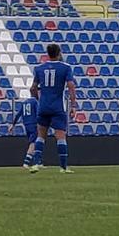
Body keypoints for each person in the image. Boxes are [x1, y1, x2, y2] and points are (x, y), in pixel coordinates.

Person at [28, 44, 77, 174]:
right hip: (58, 107)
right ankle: (63, 167)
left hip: (43, 106)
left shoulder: (39, 68)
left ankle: (36, 164)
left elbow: (33, 88)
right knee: (60, 136)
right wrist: (73, 106)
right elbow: (71, 86)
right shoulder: (66, 68)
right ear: (59, 53)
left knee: (40, 136)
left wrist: (38, 99)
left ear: (48, 53)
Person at [14, 95, 40, 168]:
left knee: (35, 143)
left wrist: (13, 125)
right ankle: (26, 162)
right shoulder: (35, 101)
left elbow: (18, 114)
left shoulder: (24, 102)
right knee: (33, 143)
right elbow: (38, 113)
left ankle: (37, 162)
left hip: (26, 125)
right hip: (34, 124)